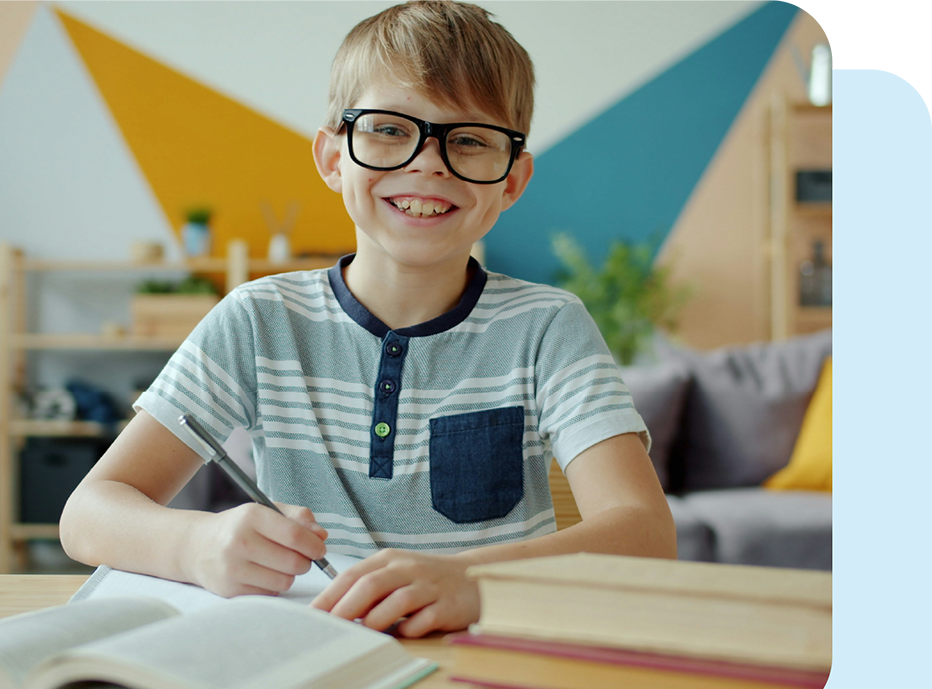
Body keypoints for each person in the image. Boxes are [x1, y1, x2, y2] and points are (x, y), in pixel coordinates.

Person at [60, 0, 676, 638]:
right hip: (311, 654)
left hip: (488, 664)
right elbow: (87, 515)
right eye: (387, 129)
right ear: (332, 157)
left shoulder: (548, 327)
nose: (429, 162)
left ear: (512, 180)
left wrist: (474, 582)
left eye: (468, 139)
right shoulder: (257, 320)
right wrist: (198, 543)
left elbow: (647, 532)